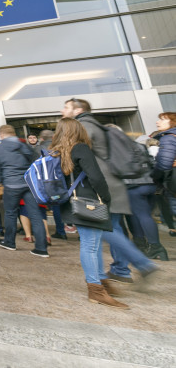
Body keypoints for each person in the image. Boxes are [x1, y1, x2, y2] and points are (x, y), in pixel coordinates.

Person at [62, 99, 158, 280]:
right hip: (113, 183)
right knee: (112, 228)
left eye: (66, 107)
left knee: (104, 229)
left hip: (100, 185)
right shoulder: (98, 126)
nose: (63, 111)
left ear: (78, 110)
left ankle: (142, 264)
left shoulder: (84, 126)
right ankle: (121, 271)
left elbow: (78, 155)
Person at [49, 118, 129, 308]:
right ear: (79, 130)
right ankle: (95, 290)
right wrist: (106, 198)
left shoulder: (56, 151)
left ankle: (101, 281)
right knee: (90, 246)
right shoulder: (80, 148)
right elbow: (96, 177)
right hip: (88, 203)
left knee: (92, 244)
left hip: (71, 203)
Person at [0, 125, 48, 257]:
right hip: (28, 184)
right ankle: (41, 248)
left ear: (2, 135)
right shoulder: (24, 146)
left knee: (10, 213)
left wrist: (3, 180)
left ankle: (9, 242)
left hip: (11, 185)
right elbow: (35, 161)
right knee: (35, 215)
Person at [149, 112, 176, 255]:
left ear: (172, 122)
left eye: (162, 119)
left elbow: (164, 164)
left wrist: (154, 176)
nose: (157, 122)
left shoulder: (168, 138)